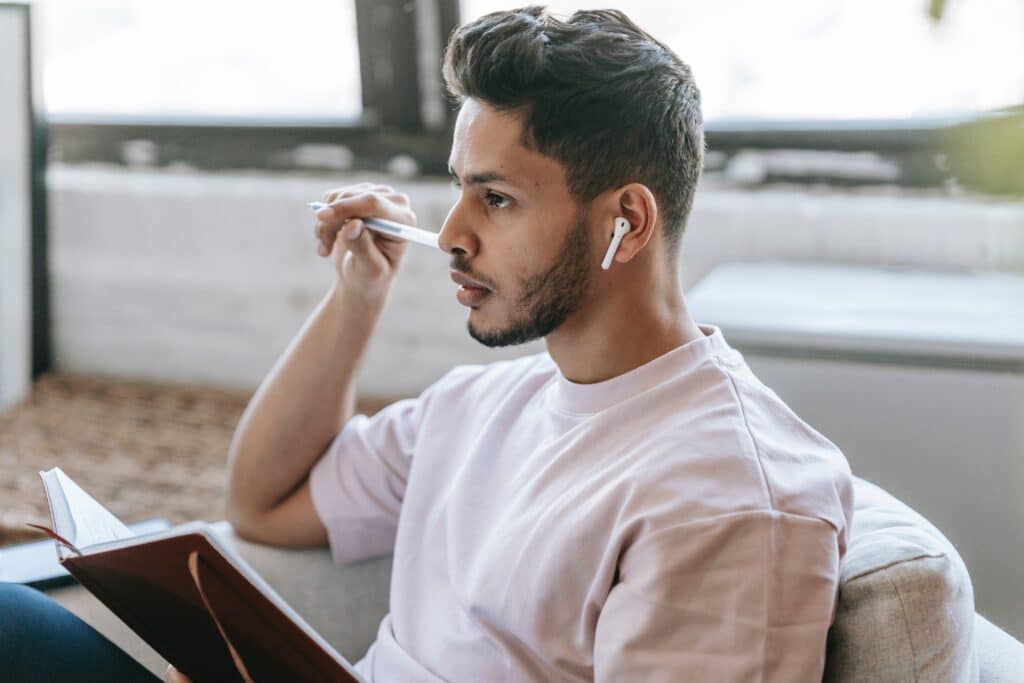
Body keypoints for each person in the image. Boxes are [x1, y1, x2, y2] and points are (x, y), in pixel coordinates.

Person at [1, 6, 853, 682]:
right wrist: (357, 299)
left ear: (624, 221)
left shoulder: (730, 499)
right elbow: (264, 500)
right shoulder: (484, 404)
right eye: (459, 190)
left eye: (498, 199)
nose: (450, 234)